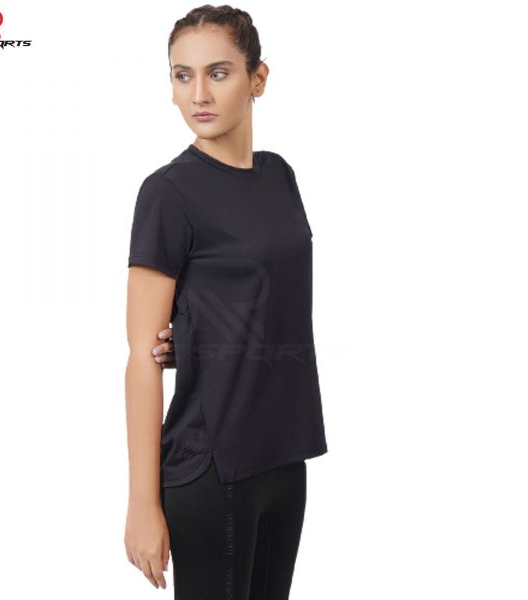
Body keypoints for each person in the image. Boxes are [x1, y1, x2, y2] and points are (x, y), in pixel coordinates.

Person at [123, 5, 328, 599]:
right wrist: (142, 503)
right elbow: (141, 356)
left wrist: (200, 339)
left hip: (285, 454)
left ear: (257, 78)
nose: (198, 94)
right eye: (181, 75)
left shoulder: (279, 175)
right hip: (214, 465)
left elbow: (266, 300)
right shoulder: (168, 193)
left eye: (218, 73)